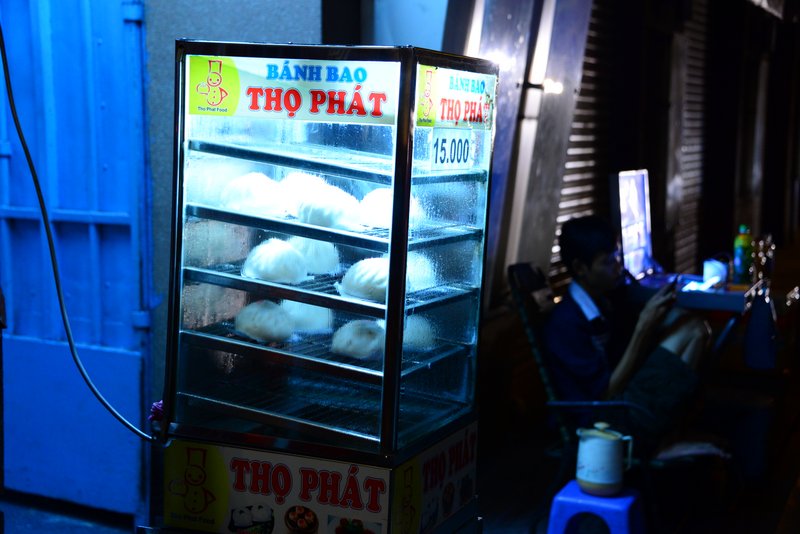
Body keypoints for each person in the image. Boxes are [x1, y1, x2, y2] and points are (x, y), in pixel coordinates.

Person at [542, 214, 710, 448]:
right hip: (600, 421)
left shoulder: (603, 301)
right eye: (608, 262)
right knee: (691, 332)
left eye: (618, 258)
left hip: (620, 400)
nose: (618, 268)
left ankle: (667, 433)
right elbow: (604, 394)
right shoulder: (567, 323)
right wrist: (644, 326)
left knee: (693, 327)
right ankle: (657, 442)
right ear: (581, 268)